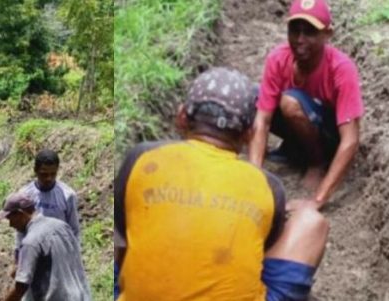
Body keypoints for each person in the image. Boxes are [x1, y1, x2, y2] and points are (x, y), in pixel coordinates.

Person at [114, 67, 329, 300]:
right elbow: (261, 255)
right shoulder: (268, 186)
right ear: (249, 134)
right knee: (310, 222)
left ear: (181, 117)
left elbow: (122, 243)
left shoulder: (142, 159)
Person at [249, 0, 363, 209]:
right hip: (301, 122)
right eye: (295, 30)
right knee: (249, 99)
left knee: (290, 103)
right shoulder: (278, 58)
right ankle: (294, 150)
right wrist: (253, 180)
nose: (300, 40)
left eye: (310, 32)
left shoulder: (341, 68)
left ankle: (317, 163)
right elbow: (262, 120)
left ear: (327, 34)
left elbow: (351, 140)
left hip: (330, 134)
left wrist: (317, 201)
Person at [0, 191, 91, 301]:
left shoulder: (30, 242)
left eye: (10, 219)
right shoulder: (61, 225)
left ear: (20, 213)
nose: (11, 225)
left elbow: (21, 287)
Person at [10, 149, 81, 283]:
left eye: (53, 174)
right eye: (44, 174)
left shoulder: (67, 195)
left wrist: (74, 260)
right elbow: (20, 231)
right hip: (32, 254)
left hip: (58, 255)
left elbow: (74, 230)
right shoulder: (25, 194)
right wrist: (17, 259)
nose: (49, 178)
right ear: (35, 171)